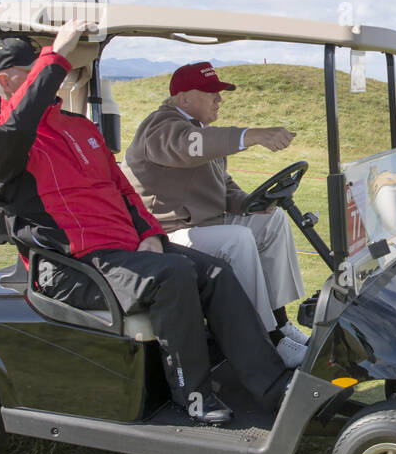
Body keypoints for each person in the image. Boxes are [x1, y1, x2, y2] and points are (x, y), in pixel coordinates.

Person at [0, 22, 289, 426]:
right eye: (32, 70)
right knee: (174, 275)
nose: (47, 76)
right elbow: (20, 122)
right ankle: (192, 394)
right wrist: (57, 54)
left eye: (43, 67)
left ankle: (273, 385)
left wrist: (151, 234)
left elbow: (123, 191)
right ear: (4, 81)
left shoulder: (79, 128)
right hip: (72, 265)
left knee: (215, 271)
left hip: (122, 253)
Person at [120, 61, 308, 366]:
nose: (218, 99)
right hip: (163, 234)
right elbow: (187, 147)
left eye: (219, 93)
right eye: (210, 93)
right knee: (237, 239)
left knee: (271, 221)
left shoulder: (199, 132)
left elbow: (224, 187)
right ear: (183, 99)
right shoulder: (161, 127)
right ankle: (264, 340)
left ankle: (279, 320)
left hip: (203, 226)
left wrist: (251, 204)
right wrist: (252, 135)